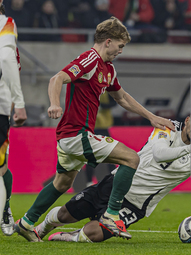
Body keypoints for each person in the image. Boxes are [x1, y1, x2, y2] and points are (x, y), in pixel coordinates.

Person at [14, 16, 175, 242]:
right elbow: (57, 78)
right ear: (108, 41)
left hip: (70, 137)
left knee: (62, 183)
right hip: (76, 134)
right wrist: (54, 103)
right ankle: (110, 215)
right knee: (131, 158)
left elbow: (121, 97)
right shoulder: (89, 59)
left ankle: (26, 222)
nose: (121, 51)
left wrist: (150, 117)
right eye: (120, 46)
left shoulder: (108, 69)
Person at [33, 108, 191, 243]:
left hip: (136, 205)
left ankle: (71, 236)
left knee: (93, 233)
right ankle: (41, 229)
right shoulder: (166, 128)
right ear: (188, 120)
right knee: (63, 215)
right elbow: (160, 155)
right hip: (115, 184)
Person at [0, 1, 27, 236]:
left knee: (1, 166)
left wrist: (16, 104)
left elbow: (10, 63)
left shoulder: (6, 26)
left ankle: (5, 207)